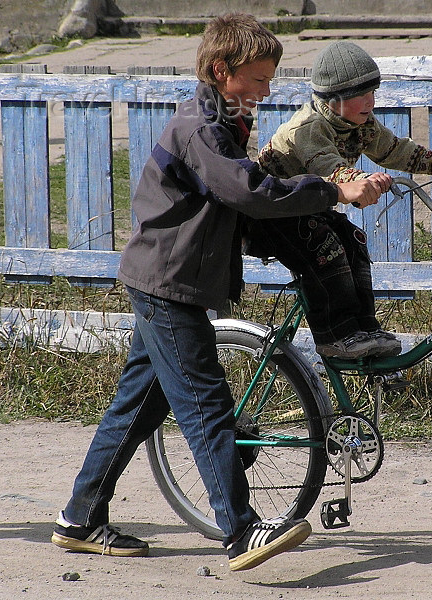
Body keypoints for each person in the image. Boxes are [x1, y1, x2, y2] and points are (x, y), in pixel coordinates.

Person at [50, 14, 385, 572]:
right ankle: (241, 530)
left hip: (171, 280)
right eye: (257, 80)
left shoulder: (226, 120)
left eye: (271, 80)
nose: (266, 91)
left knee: (138, 407)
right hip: (167, 284)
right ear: (220, 71)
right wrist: (331, 190)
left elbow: (233, 202)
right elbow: (246, 190)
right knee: (206, 404)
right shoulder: (201, 126)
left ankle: (79, 518)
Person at [251, 41, 432, 360]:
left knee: (353, 239)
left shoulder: (360, 124)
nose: (370, 102)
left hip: (304, 208)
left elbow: (394, 149)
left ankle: (363, 328)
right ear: (333, 98)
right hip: (267, 214)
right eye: (360, 96)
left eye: (373, 93)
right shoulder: (309, 127)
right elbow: (328, 168)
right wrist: (359, 181)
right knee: (325, 245)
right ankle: (335, 336)